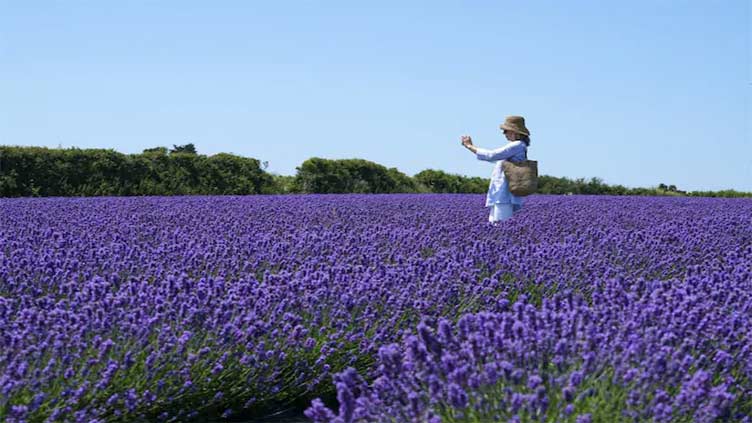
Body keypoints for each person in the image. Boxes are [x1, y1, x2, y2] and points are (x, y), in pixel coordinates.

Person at [460, 115, 531, 223]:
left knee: (500, 224)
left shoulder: (517, 145)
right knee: (494, 224)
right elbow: (494, 158)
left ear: (515, 132)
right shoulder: (516, 146)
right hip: (501, 194)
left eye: (506, 131)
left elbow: (491, 155)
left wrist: (470, 146)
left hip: (505, 194)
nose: (504, 134)